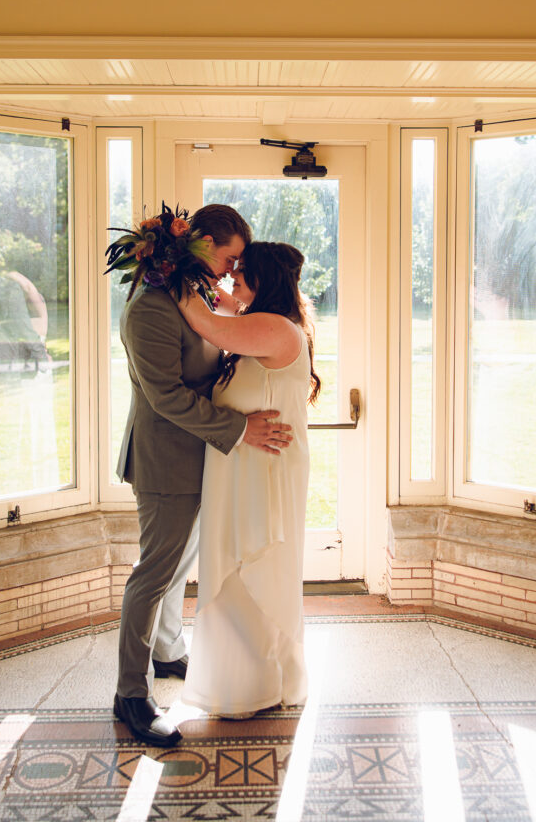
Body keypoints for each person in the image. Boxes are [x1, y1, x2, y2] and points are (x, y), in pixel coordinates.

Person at [112, 206, 293, 748]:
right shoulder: (151, 306)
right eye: (231, 258)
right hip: (165, 462)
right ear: (206, 243)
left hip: (201, 458)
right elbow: (166, 397)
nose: (232, 270)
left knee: (180, 566)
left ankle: (168, 653)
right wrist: (240, 429)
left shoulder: (194, 295)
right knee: (154, 574)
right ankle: (129, 693)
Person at [177, 241, 320, 718]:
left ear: (264, 279)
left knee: (255, 569)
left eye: (241, 270)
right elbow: (217, 304)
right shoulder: (257, 323)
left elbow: (208, 322)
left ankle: (258, 685)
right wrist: (201, 275)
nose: (231, 276)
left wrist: (165, 266)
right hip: (243, 466)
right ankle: (240, 683)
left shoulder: (275, 328)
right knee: (236, 572)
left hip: (265, 472)